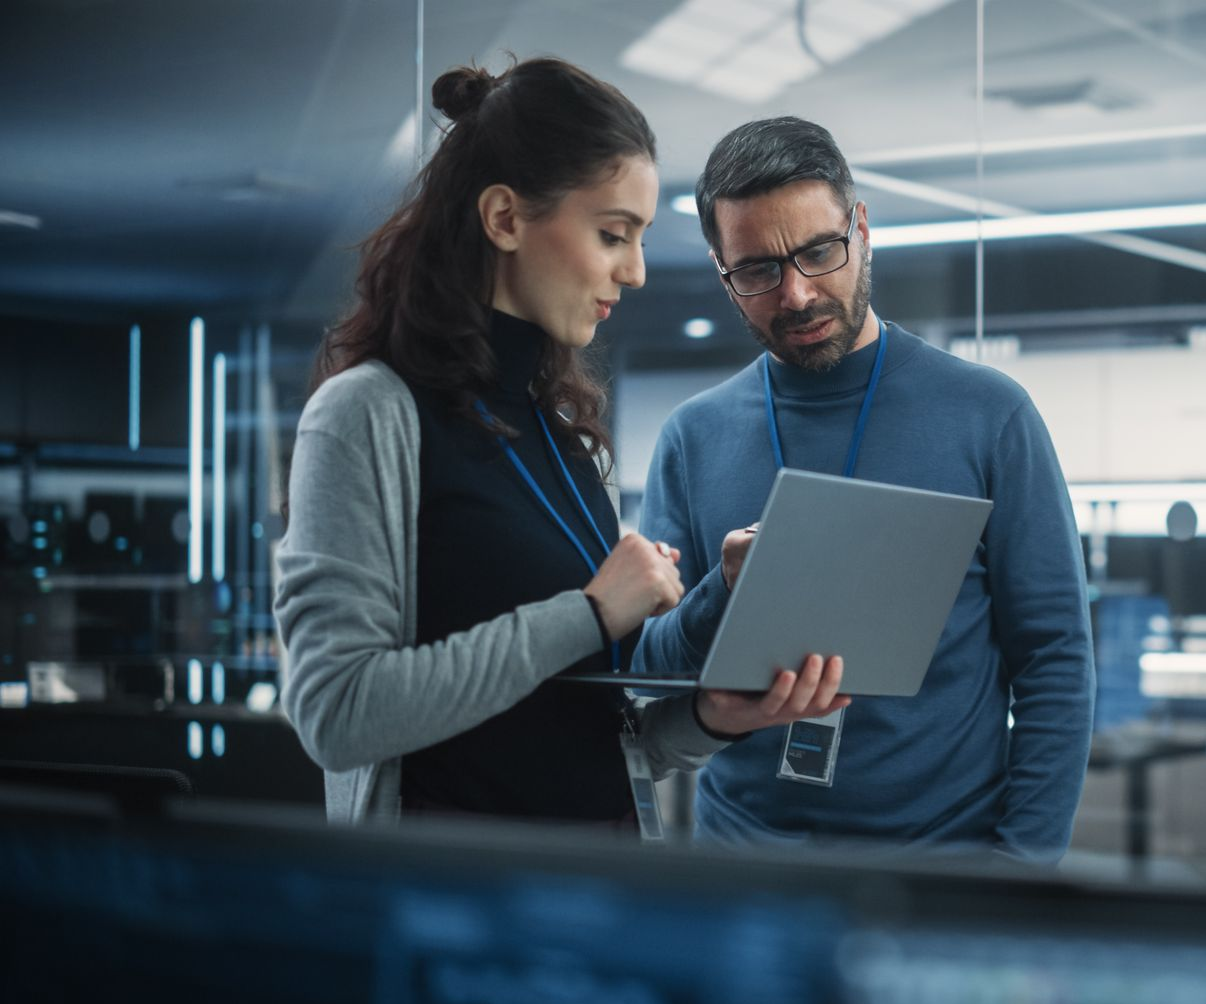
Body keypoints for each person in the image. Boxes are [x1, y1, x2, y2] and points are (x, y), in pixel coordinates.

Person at [274, 62, 848, 827]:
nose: (636, 271)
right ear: (505, 218)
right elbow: (335, 714)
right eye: (613, 234)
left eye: (639, 239)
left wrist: (712, 716)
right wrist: (586, 614)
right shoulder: (366, 416)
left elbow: (596, 736)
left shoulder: (569, 438)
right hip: (445, 912)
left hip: (594, 894)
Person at [633, 117, 1094, 862]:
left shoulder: (988, 414)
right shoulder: (694, 437)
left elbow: (1054, 658)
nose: (796, 293)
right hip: (746, 869)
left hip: (944, 869)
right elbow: (652, 669)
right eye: (756, 270)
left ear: (862, 229)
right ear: (721, 271)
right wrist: (723, 588)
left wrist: (1023, 866)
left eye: (819, 251)